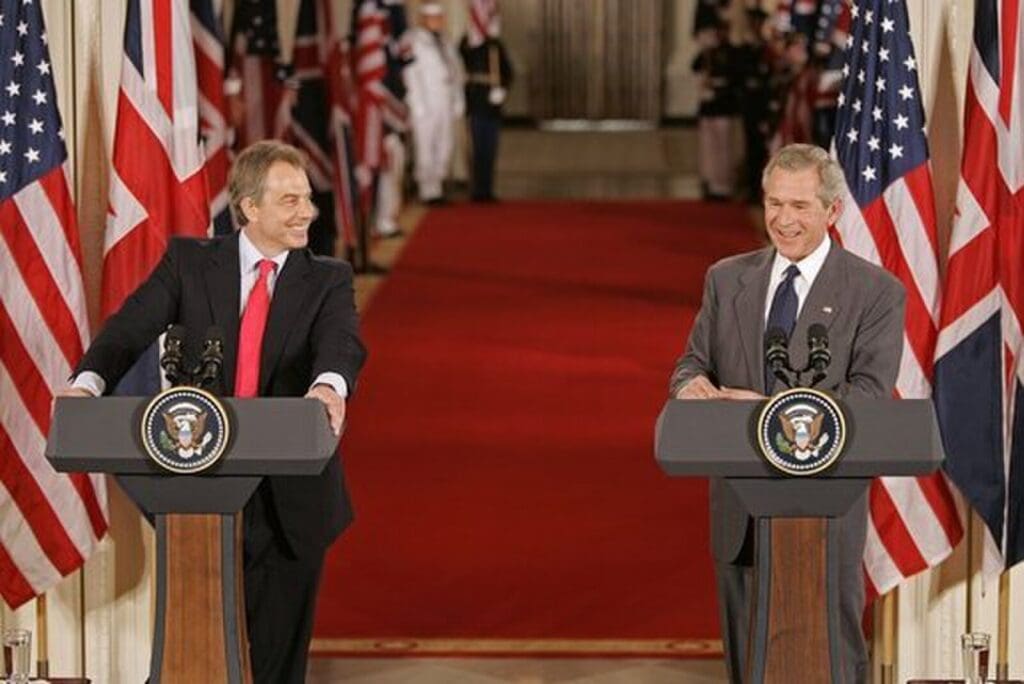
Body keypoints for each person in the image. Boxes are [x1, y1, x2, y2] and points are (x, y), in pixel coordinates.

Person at [61, 141, 366, 683]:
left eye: (308, 199)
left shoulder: (328, 278)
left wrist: (328, 387)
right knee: (201, 652)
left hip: (289, 502)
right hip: (200, 492)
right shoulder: (190, 264)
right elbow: (130, 327)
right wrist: (87, 384)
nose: (308, 213)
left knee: (275, 663)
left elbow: (341, 342)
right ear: (248, 207)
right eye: (290, 201)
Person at [669, 144, 905, 684]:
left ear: (831, 212)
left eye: (799, 206)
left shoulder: (875, 292)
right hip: (739, 508)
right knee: (745, 655)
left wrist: (771, 411)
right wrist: (692, 387)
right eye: (774, 203)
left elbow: (868, 395)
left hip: (826, 513)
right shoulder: (727, 280)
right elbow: (690, 364)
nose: (783, 220)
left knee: (832, 654)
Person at [404, 1, 464, 205]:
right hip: (426, 103)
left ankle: (438, 185)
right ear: (424, 20)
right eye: (433, 18)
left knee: (445, 145)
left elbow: (455, 72)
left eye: (440, 17)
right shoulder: (414, 41)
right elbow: (411, 75)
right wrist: (417, 105)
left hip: (445, 101)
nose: (438, 21)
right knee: (425, 148)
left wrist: (458, 99)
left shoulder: (445, 42)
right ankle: (427, 189)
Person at [459, 3, 513, 202]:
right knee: (477, 149)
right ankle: (477, 189)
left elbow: (508, 72)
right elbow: (460, 70)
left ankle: (487, 188)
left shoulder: (496, 46)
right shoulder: (466, 44)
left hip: (493, 107)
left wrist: (502, 89)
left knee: (490, 149)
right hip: (475, 103)